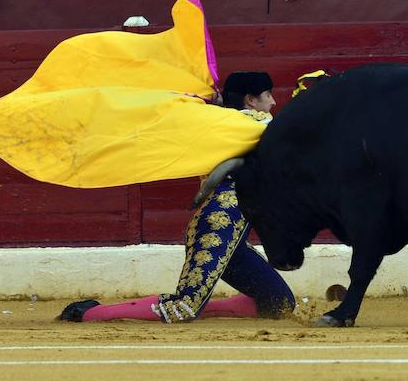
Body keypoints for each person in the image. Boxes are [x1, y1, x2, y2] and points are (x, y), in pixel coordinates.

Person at [59, 70, 296, 324]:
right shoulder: (254, 125)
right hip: (216, 226)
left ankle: (207, 306)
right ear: (250, 100)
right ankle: (90, 313)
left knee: (279, 303)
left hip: (234, 235)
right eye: (268, 95)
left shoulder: (220, 122)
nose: (273, 101)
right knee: (183, 307)